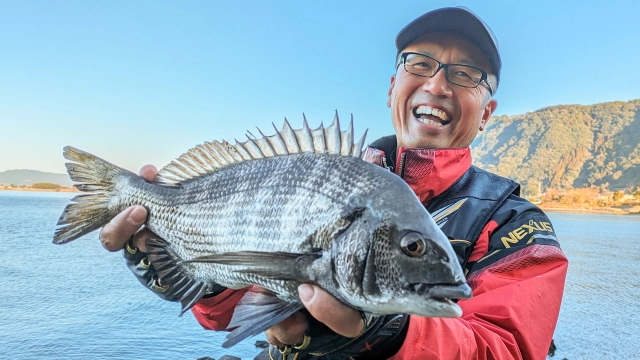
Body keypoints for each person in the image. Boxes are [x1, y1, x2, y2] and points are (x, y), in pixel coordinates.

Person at [100, 7, 568, 360]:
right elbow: (231, 307)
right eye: (420, 63)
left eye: (466, 75)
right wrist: (180, 270)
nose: (438, 86)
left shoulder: (512, 223)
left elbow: (508, 348)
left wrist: (385, 330)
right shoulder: (347, 177)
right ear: (392, 86)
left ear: (487, 112)